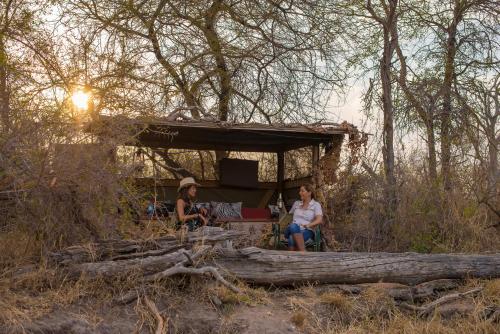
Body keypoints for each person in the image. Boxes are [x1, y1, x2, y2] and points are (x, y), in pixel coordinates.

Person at [284, 184, 323, 251]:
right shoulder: (296, 203)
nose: (300, 193)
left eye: (302, 191)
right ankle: (303, 252)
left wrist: (308, 225)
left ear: (309, 193)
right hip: (291, 229)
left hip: (307, 230)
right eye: (300, 191)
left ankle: (291, 259)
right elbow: (288, 216)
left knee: (291, 238)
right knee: (293, 226)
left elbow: (319, 220)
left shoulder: (316, 205)